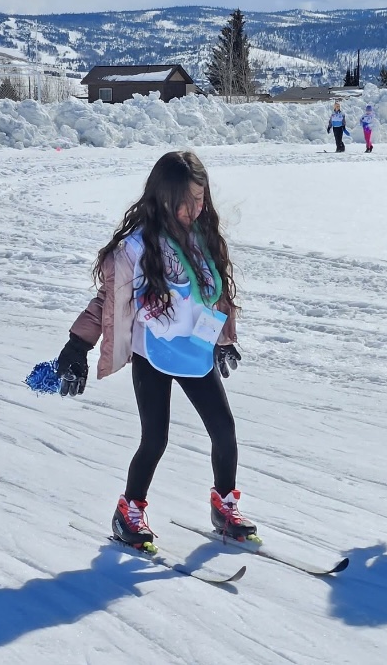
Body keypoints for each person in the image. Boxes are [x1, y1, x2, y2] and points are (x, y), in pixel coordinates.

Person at [54, 150, 256, 548]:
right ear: (162, 196)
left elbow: (213, 296)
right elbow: (106, 303)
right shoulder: (137, 248)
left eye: (200, 199)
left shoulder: (203, 238)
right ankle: (128, 511)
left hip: (195, 351)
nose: (194, 209)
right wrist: (77, 345)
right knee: (155, 439)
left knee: (224, 431)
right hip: (153, 356)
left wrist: (223, 340)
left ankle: (224, 504)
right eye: (185, 201)